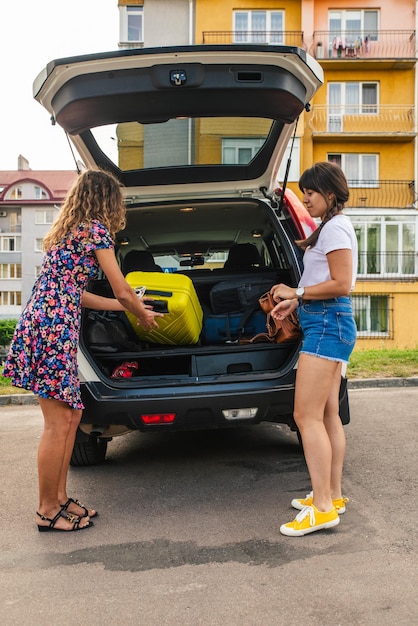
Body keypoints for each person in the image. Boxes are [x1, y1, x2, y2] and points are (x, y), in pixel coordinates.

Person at [3, 169, 164, 532]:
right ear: (107, 199)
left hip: (50, 322)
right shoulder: (95, 231)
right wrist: (140, 313)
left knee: (71, 420)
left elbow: (79, 293)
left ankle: (60, 500)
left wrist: (126, 306)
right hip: (52, 327)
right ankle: (46, 510)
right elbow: (121, 288)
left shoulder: (69, 232)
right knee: (58, 424)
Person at [270, 161, 358, 536]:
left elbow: (341, 283)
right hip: (326, 321)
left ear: (331, 193)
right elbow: (323, 279)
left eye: (311, 192)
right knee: (326, 416)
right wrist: (295, 302)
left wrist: (298, 293)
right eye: (304, 191)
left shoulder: (336, 227)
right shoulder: (331, 226)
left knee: (305, 417)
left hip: (327, 324)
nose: (305, 198)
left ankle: (322, 507)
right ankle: (331, 496)